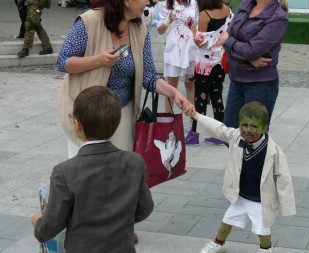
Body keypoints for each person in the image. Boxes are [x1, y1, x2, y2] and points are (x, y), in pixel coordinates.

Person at [55, 0, 194, 158]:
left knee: (118, 175)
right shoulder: (89, 21)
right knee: (88, 175)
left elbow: (149, 76)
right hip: (88, 116)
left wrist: (174, 93)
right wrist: (99, 60)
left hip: (122, 115)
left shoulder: (139, 28)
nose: (148, 2)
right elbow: (63, 62)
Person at [32, 86, 154, 253]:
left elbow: (49, 227)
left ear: (78, 125)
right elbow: (145, 209)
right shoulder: (134, 163)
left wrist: (37, 221)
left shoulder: (65, 172)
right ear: (116, 123)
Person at [190, 101, 296, 253]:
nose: (248, 130)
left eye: (254, 126)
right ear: (239, 124)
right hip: (241, 195)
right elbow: (219, 129)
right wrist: (196, 115)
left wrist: (286, 205)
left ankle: (266, 249)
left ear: (265, 128)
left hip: (260, 199)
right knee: (227, 220)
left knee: (262, 228)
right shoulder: (236, 136)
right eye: (244, 125)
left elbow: (283, 178)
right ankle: (219, 244)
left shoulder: (273, 151)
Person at [216, 0, 289, 129]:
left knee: (253, 137)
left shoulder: (278, 17)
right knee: (230, 133)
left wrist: (231, 43)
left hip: (260, 84)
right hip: (237, 80)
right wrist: (249, 59)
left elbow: (251, 49)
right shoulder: (246, 4)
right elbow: (226, 35)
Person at [184, 0, 233, 146]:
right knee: (217, 95)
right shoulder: (227, 9)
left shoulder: (205, 14)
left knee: (200, 98)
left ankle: (194, 133)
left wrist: (193, 29)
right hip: (220, 61)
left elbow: (200, 42)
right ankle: (219, 133)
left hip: (205, 64)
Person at [157, 0, 198, 113]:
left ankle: (192, 121)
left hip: (190, 51)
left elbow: (199, 24)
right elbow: (160, 30)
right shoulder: (166, 5)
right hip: (174, 51)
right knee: (171, 88)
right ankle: (168, 121)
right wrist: (167, 21)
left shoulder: (194, 3)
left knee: (189, 83)